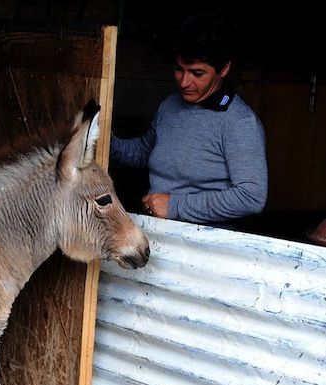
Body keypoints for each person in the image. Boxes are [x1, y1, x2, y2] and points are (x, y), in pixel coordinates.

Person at [110, 10, 268, 226]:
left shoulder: (239, 123)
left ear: (223, 69)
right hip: (155, 233)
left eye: (197, 73)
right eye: (179, 69)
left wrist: (174, 206)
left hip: (204, 245)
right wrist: (104, 141)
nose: (184, 82)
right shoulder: (169, 107)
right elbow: (143, 153)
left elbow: (251, 197)